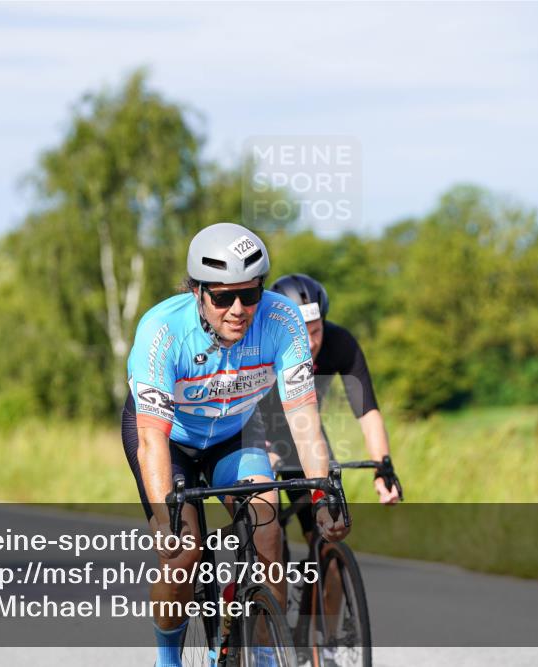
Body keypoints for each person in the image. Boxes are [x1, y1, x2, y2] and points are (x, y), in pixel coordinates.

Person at [122, 223, 349, 667]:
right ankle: (168, 658)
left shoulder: (282, 321)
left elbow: (304, 421)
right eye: (223, 297)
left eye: (250, 294)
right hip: (170, 441)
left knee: (268, 531)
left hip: (232, 435)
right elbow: (151, 439)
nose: (239, 309)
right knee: (183, 551)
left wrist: (322, 494)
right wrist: (166, 519)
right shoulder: (162, 332)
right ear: (197, 291)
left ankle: (264, 652)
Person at [258, 273, 399, 544]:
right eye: (301, 332)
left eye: (316, 330)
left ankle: (326, 573)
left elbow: (367, 411)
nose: (310, 343)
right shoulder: (263, 344)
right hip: (260, 432)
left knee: (328, 538)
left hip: (306, 432)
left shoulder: (339, 343)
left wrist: (383, 467)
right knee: (268, 537)